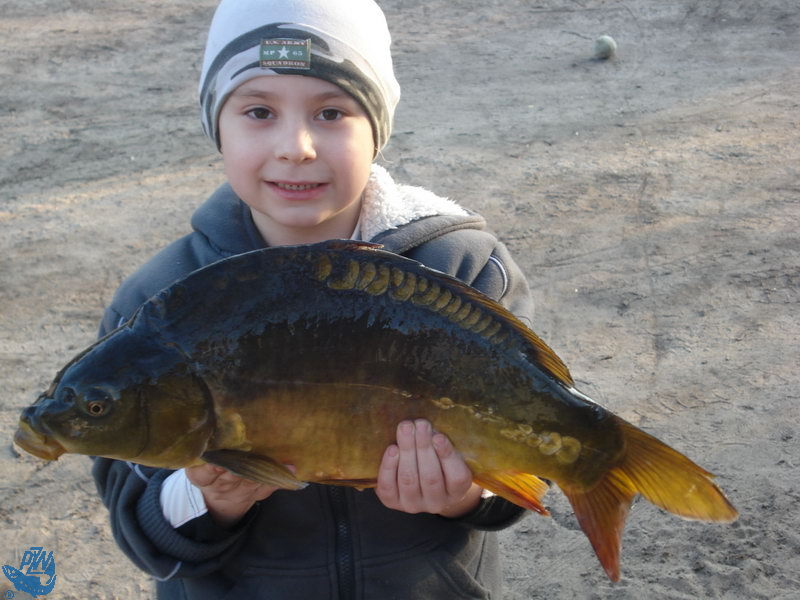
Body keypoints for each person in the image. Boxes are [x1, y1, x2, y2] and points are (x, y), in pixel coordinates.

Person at [92, 0, 537, 597]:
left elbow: (532, 445)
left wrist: (465, 493)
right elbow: (141, 526)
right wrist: (209, 497)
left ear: (376, 130)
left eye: (331, 112)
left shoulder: (462, 267)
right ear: (217, 127)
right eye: (258, 111)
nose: (296, 145)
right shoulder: (158, 302)